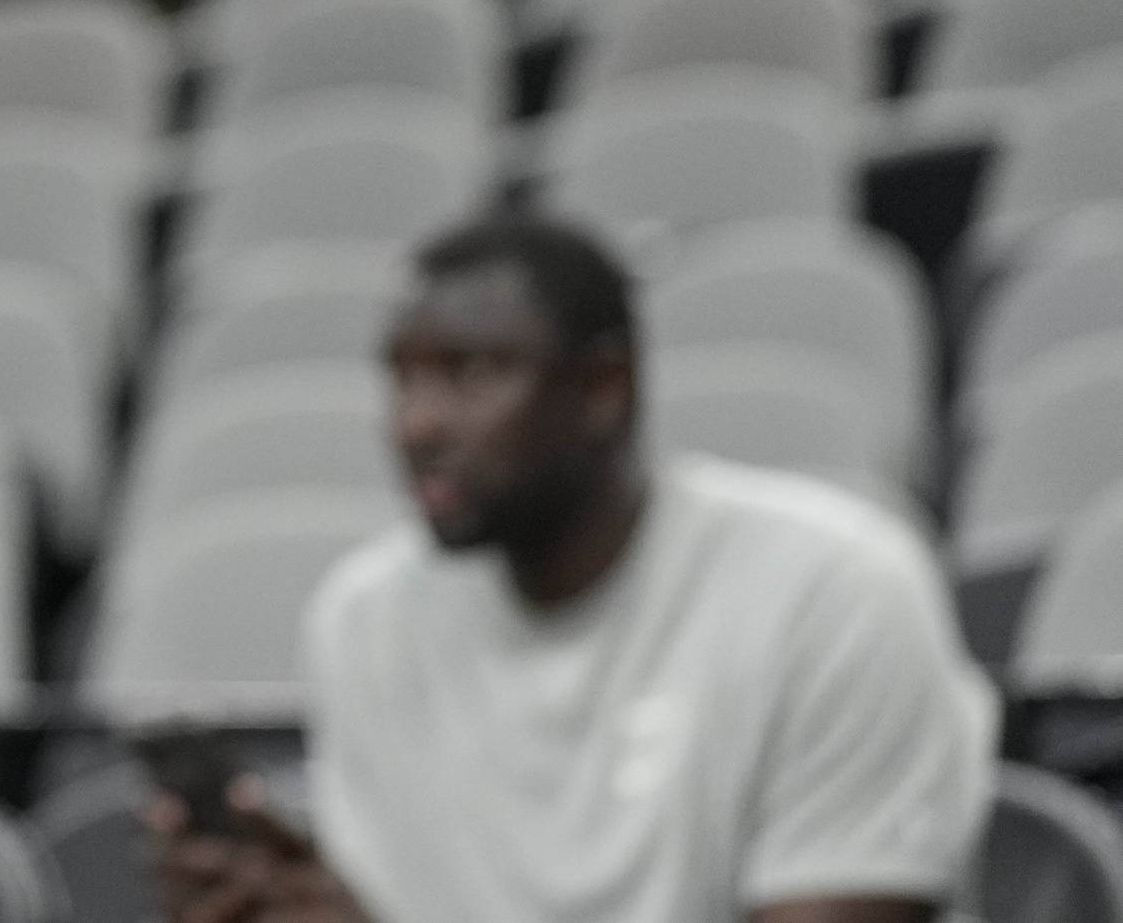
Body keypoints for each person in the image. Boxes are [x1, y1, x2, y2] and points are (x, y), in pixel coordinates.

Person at [154, 211, 997, 923]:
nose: (414, 425)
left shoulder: (831, 588)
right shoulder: (361, 619)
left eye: (471, 370)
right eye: (401, 378)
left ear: (603, 387)